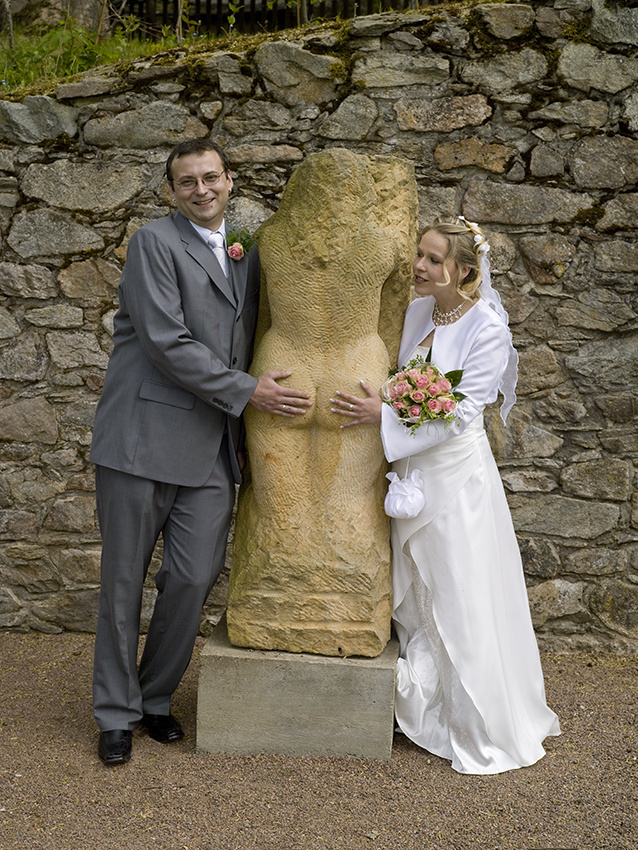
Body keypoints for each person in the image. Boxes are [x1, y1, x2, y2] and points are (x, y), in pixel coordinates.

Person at [90, 138, 311, 766]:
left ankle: (154, 697)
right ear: (171, 190)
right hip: (142, 440)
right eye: (186, 181)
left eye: (210, 177)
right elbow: (166, 340)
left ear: (229, 180)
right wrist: (249, 391)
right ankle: (116, 713)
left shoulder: (247, 250)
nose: (201, 190)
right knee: (123, 583)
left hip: (213, 447)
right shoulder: (153, 244)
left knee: (192, 578)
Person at [331, 216, 560, 774]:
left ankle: (477, 722)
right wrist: (386, 403)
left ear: (464, 271)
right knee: (417, 590)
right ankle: (429, 704)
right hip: (411, 471)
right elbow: (401, 381)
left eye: (433, 260)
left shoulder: (488, 329)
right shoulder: (416, 313)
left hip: (457, 479)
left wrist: (382, 415)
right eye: (420, 254)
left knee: (459, 588)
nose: (419, 266)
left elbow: (461, 415)